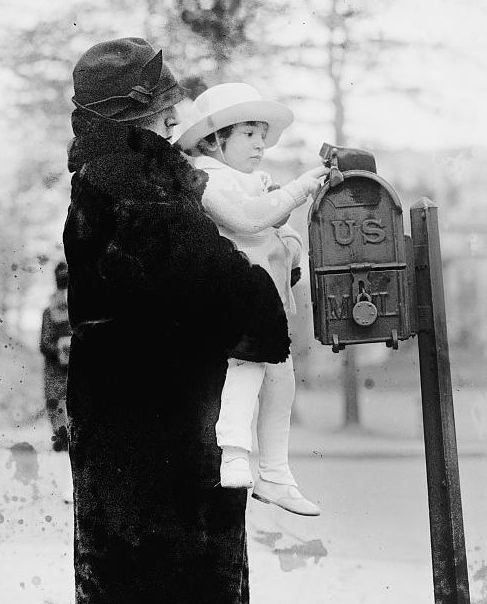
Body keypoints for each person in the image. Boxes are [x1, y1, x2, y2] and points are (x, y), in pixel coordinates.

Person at [64, 38, 291, 604]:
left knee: (116, 572)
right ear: (148, 113)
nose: (174, 115)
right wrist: (264, 283)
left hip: (113, 418)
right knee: (183, 576)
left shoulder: (96, 177)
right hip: (170, 424)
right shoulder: (144, 181)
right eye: (165, 105)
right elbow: (229, 296)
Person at [175, 83, 327, 516]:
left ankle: (277, 475)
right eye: (248, 134)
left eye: (262, 134)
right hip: (234, 308)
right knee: (246, 372)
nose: (260, 143)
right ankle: (235, 452)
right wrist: (297, 192)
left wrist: (286, 237)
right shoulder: (208, 181)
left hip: (269, 307)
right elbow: (251, 220)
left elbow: (286, 235)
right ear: (213, 139)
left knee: (282, 385)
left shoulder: (255, 182)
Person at [39, 261, 71, 452]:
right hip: (55, 367)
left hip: (76, 366)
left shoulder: (80, 308)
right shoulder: (49, 311)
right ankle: (61, 436)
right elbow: (44, 342)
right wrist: (60, 350)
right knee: (55, 399)